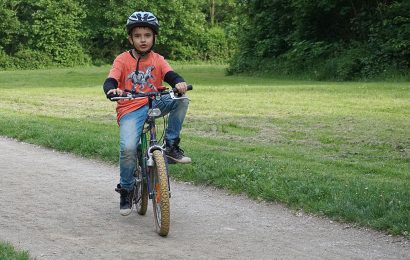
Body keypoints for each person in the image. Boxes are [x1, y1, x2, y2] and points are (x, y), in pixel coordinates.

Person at [103, 11, 191, 216]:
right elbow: (111, 80)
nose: (143, 40)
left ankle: (170, 145)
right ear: (130, 38)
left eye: (147, 35)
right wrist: (111, 89)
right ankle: (126, 189)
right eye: (138, 36)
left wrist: (179, 83)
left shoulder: (158, 59)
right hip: (130, 106)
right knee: (129, 148)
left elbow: (171, 75)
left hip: (155, 101)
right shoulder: (122, 60)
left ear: (154, 37)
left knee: (181, 99)